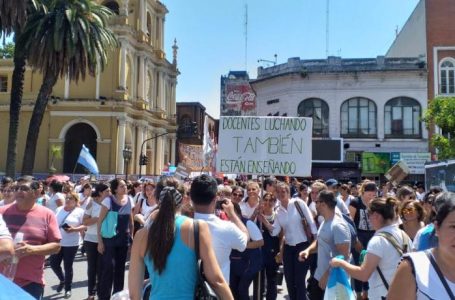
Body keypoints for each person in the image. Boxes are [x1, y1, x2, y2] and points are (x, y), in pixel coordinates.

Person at [129, 186, 233, 300]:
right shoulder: (197, 228)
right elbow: (216, 280)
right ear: (184, 199)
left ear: (158, 200)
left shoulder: (141, 236)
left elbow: (134, 293)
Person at [331, 197, 412, 300]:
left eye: (369, 215)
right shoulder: (404, 235)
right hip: (404, 294)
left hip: (384, 295)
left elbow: (363, 274)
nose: (369, 219)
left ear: (376, 216)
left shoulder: (378, 241)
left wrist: (340, 263)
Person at [387, 192, 455, 299]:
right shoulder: (412, 267)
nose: (408, 213)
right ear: (437, 227)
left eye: (411, 210)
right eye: (453, 227)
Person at [0, 180, 61, 299]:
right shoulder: (1, 212)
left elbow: (56, 246)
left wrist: (31, 249)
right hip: (2, 281)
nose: (18, 191)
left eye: (23, 188)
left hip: (30, 283)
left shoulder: (47, 215)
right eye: (16, 188)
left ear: (36, 192)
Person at [260, 182, 317, 300]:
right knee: (289, 281)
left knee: (299, 280)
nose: (281, 194)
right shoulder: (278, 211)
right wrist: (263, 220)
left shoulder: (298, 203)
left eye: (283, 191)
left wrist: (316, 242)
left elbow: (311, 222)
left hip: (302, 246)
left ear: (288, 192)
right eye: (278, 192)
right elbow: (275, 231)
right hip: (288, 249)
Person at [192, 174, 249, 283]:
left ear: (191, 197)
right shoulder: (226, 227)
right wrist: (232, 215)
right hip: (216, 292)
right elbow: (244, 240)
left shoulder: (178, 225)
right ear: (215, 199)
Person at [299, 190, 351, 299]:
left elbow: (344, 256)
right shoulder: (325, 221)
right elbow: (320, 241)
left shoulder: (338, 226)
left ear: (323, 204)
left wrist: (327, 275)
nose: (315, 204)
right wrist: (308, 250)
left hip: (334, 280)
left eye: (316, 201)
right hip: (319, 276)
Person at [97, 179, 133, 300]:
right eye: (122, 186)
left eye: (125, 185)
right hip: (110, 240)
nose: (125, 187)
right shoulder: (108, 201)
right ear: (115, 189)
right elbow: (99, 222)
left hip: (124, 240)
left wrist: (131, 239)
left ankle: (117, 297)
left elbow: (131, 221)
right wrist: (100, 242)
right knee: (108, 270)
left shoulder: (130, 199)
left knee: (120, 270)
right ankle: (104, 297)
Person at [50, 192, 86, 298]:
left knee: (68, 266)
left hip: (71, 243)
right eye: (67, 198)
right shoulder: (58, 209)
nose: (68, 200)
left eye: (71, 198)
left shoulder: (80, 212)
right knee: (54, 264)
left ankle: (68, 289)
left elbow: (84, 225)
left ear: (76, 201)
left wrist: (74, 229)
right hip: (57, 242)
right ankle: (62, 280)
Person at [348, 180, 377, 299]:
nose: (371, 197)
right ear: (364, 192)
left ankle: (367, 292)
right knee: (359, 264)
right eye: (369, 194)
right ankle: (359, 293)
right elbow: (350, 222)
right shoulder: (355, 202)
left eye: (374, 195)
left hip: (372, 235)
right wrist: (355, 240)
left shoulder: (375, 203)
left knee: (370, 264)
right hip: (359, 235)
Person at [229, 203, 264, 300]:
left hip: (249, 262)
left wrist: (242, 245)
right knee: (233, 289)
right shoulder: (227, 224)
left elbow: (260, 242)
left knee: (242, 290)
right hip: (234, 262)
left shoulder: (248, 223)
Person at [83, 183, 109, 300]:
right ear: (100, 193)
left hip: (104, 240)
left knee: (101, 267)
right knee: (92, 267)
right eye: (107, 191)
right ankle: (91, 293)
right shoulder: (91, 203)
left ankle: (100, 292)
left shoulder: (109, 204)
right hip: (91, 239)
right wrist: (98, 219)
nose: (109, 193)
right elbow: (85, 221)